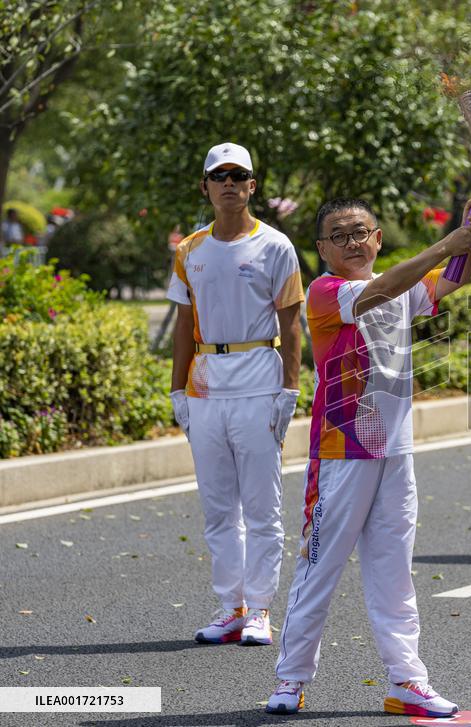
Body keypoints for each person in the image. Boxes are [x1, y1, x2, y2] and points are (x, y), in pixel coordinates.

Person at [265, 197, 471, 716]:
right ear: (322, 250)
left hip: (396, 448)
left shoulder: (401, 287)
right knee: (321, 565)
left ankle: (407, 680)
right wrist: (446, 243)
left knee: (394, 570)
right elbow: (384, 289)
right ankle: (290, 678)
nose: (352, 242)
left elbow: (452, 279)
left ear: (378, 237)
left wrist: (470, 231)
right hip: (345, 446)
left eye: (360, 232)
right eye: (338, 235)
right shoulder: (327, 292)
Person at [167, 142, 304, 646]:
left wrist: (289, 389)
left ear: (251, 186)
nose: (228, 183)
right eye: (218, 175)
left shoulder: (275, 246)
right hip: (205, 387)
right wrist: (177, 391)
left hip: (258, 381)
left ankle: (261, 610)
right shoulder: (190, 251)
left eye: (238, 175)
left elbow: (293, 324)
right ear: (205, 186)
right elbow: (184, 326)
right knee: (218, 506)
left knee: (262, 505)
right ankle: (232, 606)